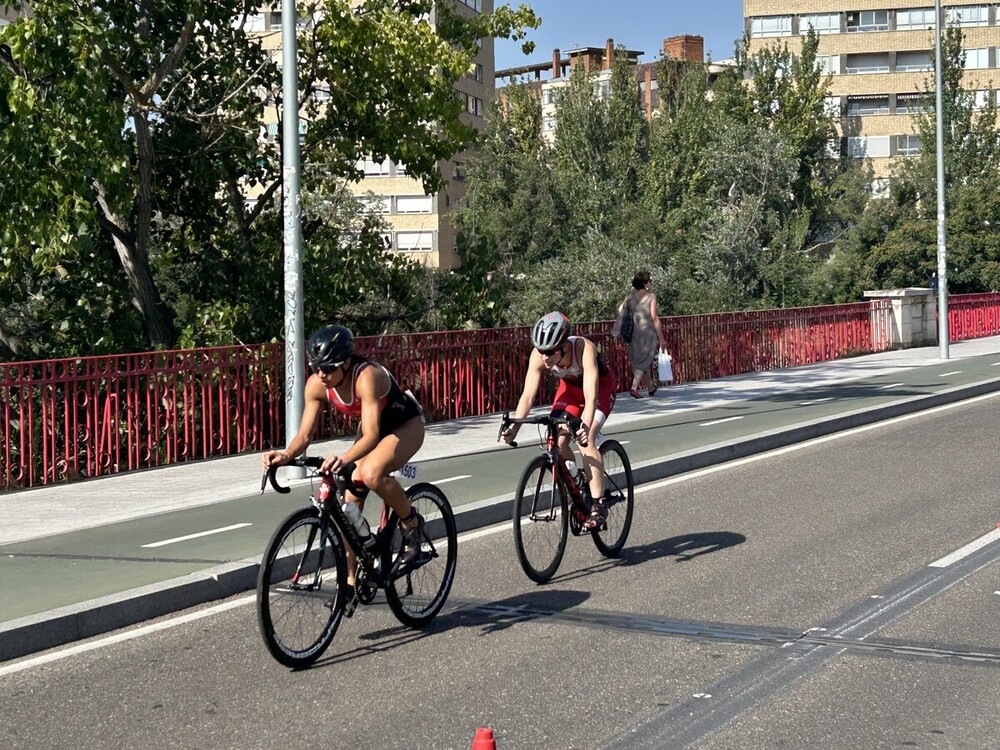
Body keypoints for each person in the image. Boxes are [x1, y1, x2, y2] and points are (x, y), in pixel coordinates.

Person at [261, 324, 426, 596]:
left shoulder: (367, 376)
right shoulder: (316, 385)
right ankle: (351, 580)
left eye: (329, 368)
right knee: (349, 514)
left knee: (371, 473)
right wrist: (285, 455)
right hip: (373, 431)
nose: (321, 375)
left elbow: (372, 435)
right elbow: (304, 435)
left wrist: (344, 458)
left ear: (346, 363)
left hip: (404, 425)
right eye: (316, 368)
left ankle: (411, 523)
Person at [500, 311, 618, 531]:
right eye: (542, 351)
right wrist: (515, 426)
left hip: (600, 389)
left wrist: (584, 425)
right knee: (557, 439)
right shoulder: (539, 356)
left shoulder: (583, 348)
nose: (545, 358)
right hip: (570, 391)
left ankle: (598, 506)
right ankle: (577, 478)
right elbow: (527, 395)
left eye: (550, 352)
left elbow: (591, 397)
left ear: (563, 345)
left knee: (586, 440)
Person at [618, 270, 668, 398]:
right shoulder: (651, 297)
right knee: (644, 361)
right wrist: (661, 338)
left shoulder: (630, 296)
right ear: (645, 284)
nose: (651, 283)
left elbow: (620, 309)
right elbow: (654, 317)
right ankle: (634, 388)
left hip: (634, 332)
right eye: (650, 281)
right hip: (647, 333)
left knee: (638, 361)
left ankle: (650, 388)